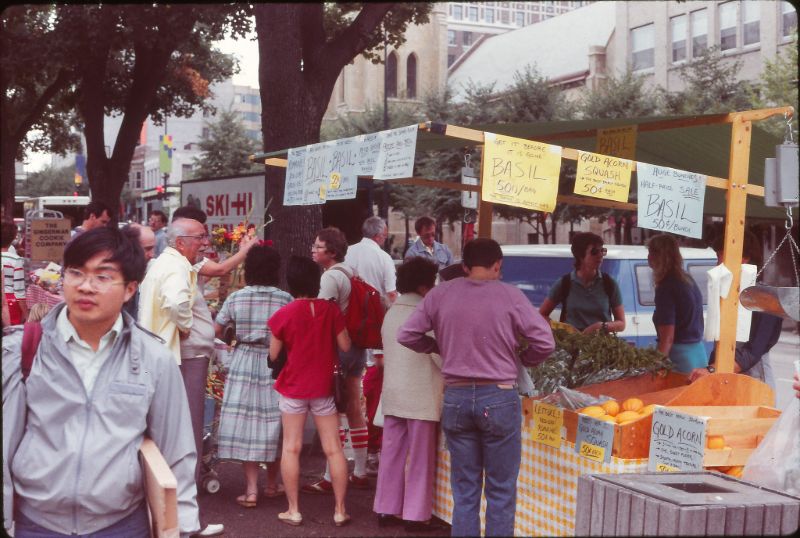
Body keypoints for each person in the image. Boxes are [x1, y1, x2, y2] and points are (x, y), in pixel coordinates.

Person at [2, 226, 200, 537]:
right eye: (76, 273)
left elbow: (177, 450)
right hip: (37, 524)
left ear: (130, 289)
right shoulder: (23, 349)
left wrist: (183, 527)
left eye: (103, 276)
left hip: (120, 525)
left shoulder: (153, 359)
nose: (86, 286)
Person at [397, 238, 555, 536]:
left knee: (465, 491)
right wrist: (523, 358)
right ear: (498, 265)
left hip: (456, 398)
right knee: (501, 491)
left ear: (465, 266)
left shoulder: (440, 294)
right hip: (499, 396)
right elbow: (545, 342)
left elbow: (406, 334)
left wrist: (437, 345)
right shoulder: (511, 295)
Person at [137, 217, 224, 537]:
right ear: (181, 241)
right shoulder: (174, 267)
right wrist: (186, 324)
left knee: (169, 440)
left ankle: (174, 517)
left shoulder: (165, 264)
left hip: (165, 357)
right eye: (200, 237)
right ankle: (184, 521)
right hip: (176, 360)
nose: (204, 243)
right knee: (184, 440)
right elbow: (175, 303)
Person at [268, 255, 352, 527]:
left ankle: (293, 510)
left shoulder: (283, 314)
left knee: (291, 448)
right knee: (334, 449)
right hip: (324, 388)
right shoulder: (331, 311)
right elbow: (346, 346)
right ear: (316, 282)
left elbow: (274, 354)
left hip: (293, 387)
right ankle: (340, 509)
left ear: (290, 283)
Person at [213, 244, 291, 508]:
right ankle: (271, 484)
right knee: (274, 422)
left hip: (244, 360)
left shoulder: (237, 298)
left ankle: (250, 490)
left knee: (247, 423)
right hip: (275, 362)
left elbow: (217, 328)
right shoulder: (284, 299)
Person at [373, 256, 444, 532]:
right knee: (420, 458)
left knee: (391, 453)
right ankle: (415, 515)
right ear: (426, 285)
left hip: (393, 393)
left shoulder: (392, 311)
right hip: (422, 394)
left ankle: (385, 508)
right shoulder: (428, 313)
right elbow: (440, 354)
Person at [304, 227, 371, 492]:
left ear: (331, 252)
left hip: (338, 349)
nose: (313, 250)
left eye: (318, 247)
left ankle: (332, 476)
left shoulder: (331, 278)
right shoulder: (352, 271)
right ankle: (361, 470)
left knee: (333, 412)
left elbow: (322, 317)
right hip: (357, 347)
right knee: (354, 408)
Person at [689, 231, 783, 385]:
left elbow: (752, 352)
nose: (718, 263)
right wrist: (711, 368)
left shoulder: (765, 298)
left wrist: (712, 370)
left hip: (754, 381)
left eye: (721, 255)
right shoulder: (727, 294)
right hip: (725, 376)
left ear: (744, 259)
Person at [343, 216, 398, 475]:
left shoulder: (348, 253)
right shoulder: (383, 258)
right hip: (376, 331)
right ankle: (373, 451)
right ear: (380, 235)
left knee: (351, 395)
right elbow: (391, 295)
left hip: (349, 331)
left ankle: (356, 456)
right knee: (375, 388)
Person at [539, 232, 625, 334]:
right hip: (571, 345)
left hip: (601, 346)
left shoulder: (609, 283)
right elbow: (541, 316)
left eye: (602, 250)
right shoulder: (565, 283)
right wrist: (563, 329)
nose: (600, 255)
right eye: (594, 252)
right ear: (580, 255)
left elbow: (621, 323)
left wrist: (602, 326)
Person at [646, 234, 706, 373]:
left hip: (680, 359)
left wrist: (655, 367)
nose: (648, 257)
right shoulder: (687, 279)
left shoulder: (666, 287)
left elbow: (667, 338)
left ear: (660, 256)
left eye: (650, 253)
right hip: (698, 353)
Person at [2, 220, 27, 324]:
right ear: (12, 238)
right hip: (9, 304)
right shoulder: (16, 260)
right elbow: (19, 291)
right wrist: (26, 313)